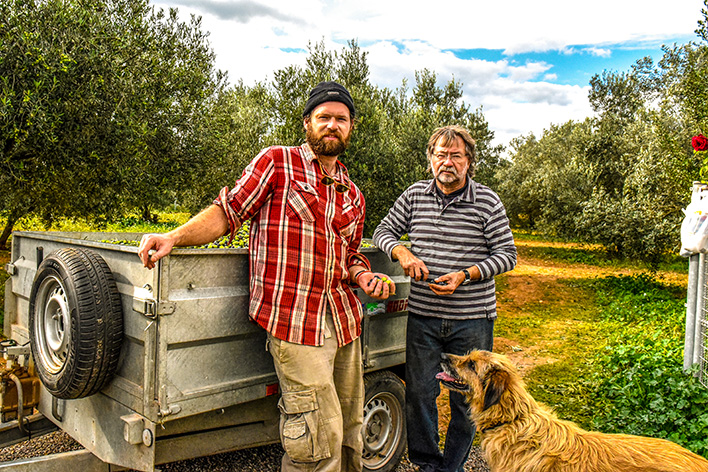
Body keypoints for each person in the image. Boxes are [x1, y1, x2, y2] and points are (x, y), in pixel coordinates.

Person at [138, 81, 395, 472]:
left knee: (349, 432)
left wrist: (364, 278)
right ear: (307, 122)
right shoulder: (278, 163)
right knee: (315, 441)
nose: (332, 125)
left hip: (344, 324)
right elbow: (228, 211)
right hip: (295, 324)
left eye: (340, 119)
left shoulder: (353, 194)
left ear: (351, 128)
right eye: (323, 117)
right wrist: (174, 237)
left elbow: (352, 256)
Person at [372, 125, 517, 472]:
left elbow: (507, 254)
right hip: (423, 315)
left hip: (471, 319)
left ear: (469, 162)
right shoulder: (414, 196)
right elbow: (383, 231)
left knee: (466, 398)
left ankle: (452, 466)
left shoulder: (486, 201)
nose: (447, 162)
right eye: (440, 154)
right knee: (419, 394)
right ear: (430, 160)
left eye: (455, 155)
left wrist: (466, 275)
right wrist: (402, 254)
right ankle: (426, 464)